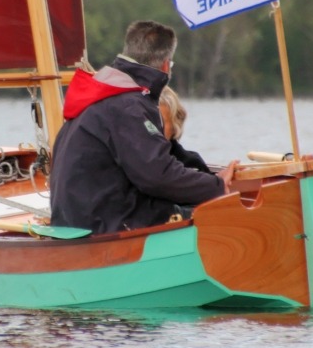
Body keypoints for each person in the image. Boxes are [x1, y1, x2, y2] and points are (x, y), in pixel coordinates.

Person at [50, 20, 236, 235]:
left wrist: (204, 175)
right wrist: (216, 186)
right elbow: (157, 176)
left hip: (77, 223)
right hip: (103, 230)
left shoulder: (100, 96)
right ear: (166, 65)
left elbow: (154, 157)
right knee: (209, 212)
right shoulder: (127, 105)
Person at [159, 85, 212, 173]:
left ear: (175, 125)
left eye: (159, 121)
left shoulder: (190, 164)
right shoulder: (130, 161)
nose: (152, 127)